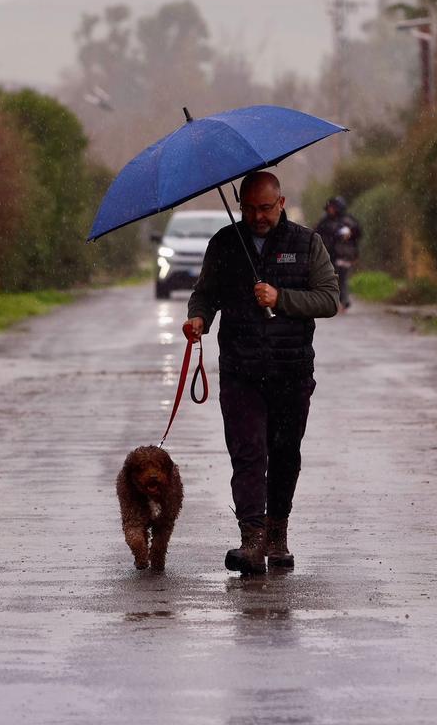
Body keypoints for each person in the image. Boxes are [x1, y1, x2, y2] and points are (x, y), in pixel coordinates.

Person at [184, 171, 339, 574]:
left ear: (281, 202)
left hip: (291, 371)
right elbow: (205, 293)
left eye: (266, 208)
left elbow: (328, 299)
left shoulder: (308, 244)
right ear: (240, 205)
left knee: (285, 454)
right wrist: (198, 318)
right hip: (240, 370)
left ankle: (277, 535)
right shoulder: (224, 244)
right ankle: (250, 541)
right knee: (248, 453)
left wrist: (280, 298)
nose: (257, 216)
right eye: (249, 208)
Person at [314, 196, 363, 311]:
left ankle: (343, 302)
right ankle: (337, 301)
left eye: (333, 207)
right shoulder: (324, 221)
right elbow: (317, 234)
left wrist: (349, 235)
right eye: (329, 207)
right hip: (329, 255)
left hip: (344, 255)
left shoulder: (348, 221)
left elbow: (357, 234)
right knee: (333, 279)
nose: (330, 210)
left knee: (342, 278)